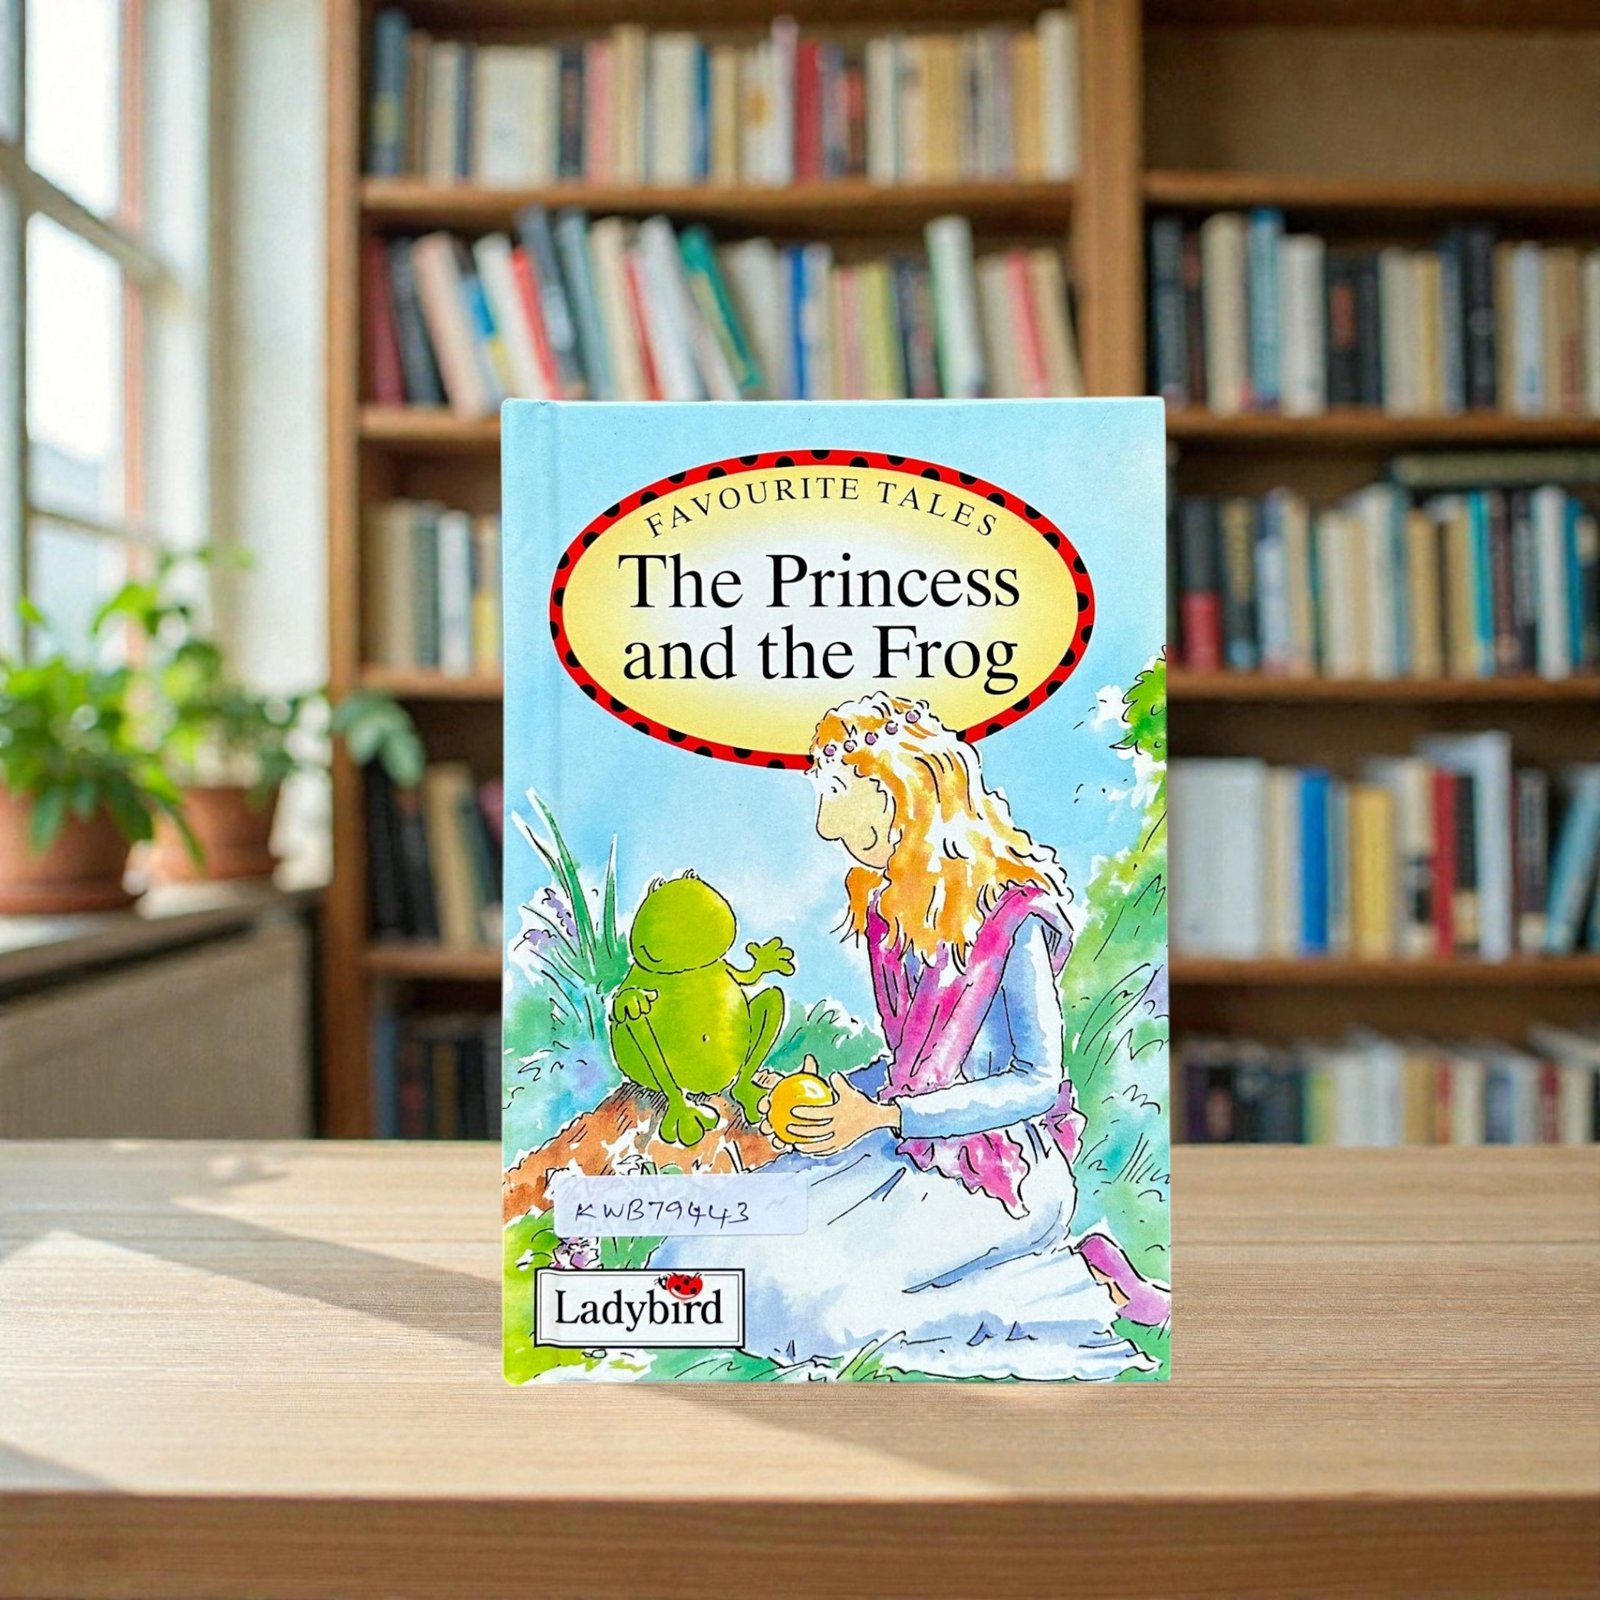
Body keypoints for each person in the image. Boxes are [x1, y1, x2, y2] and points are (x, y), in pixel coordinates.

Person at [653, 692, 1168, 1380]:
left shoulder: (1011, 916)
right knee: (698, 1251)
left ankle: (1081, 1282)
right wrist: (840, 1097)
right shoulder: (888, 908)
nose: (827, 824)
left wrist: (883, 1116)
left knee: (811, 1309)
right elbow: (913, 1065)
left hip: (1002, 1174)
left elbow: (1037, 1084)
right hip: (900, 1147)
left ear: (902, 789)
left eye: (838, 793)